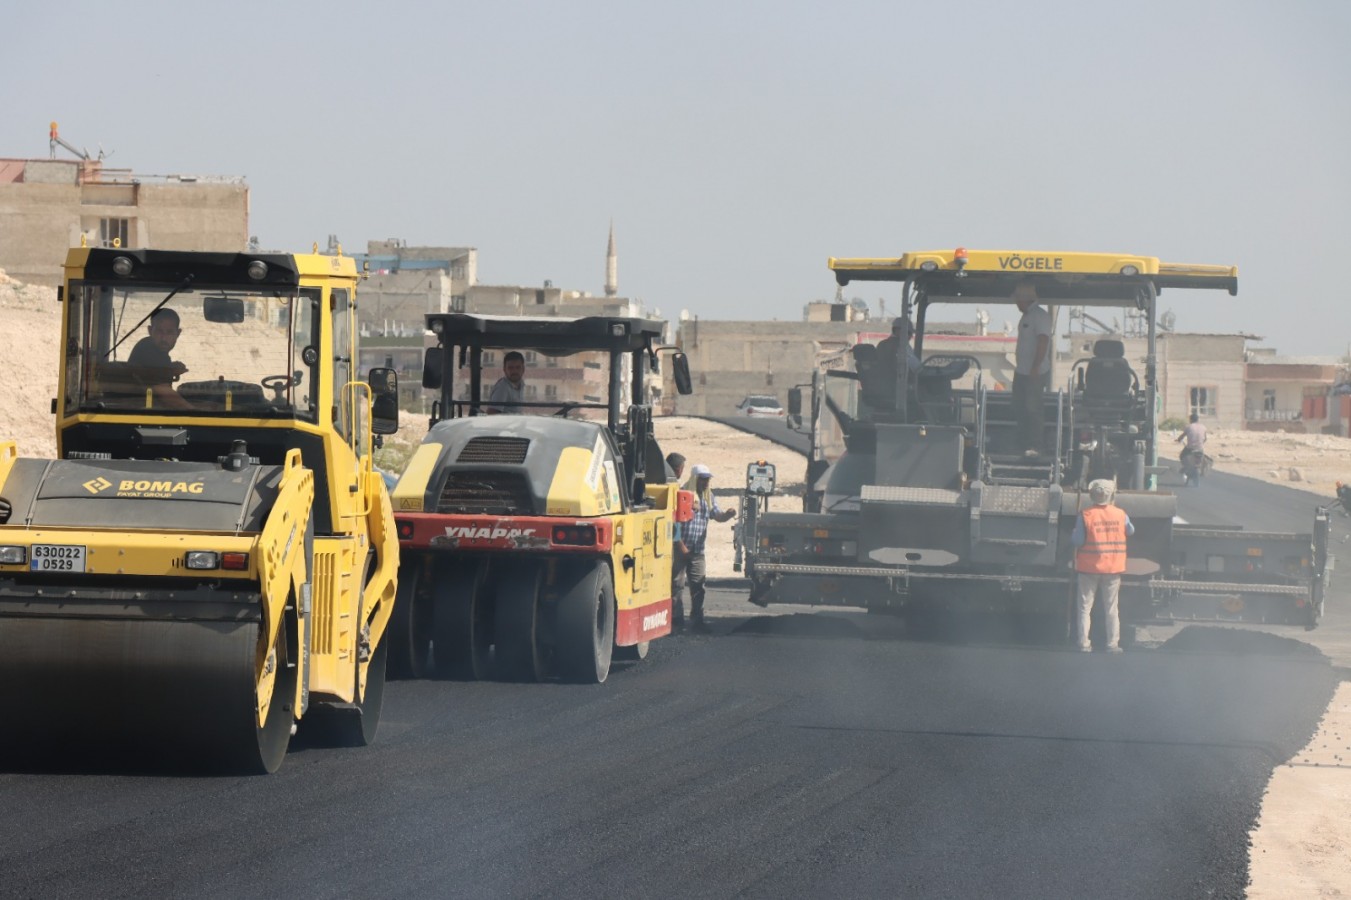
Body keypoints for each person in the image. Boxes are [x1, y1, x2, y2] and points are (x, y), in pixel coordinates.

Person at [1071, 479, 1135, 653]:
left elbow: (1077, 541)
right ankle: (1112, 644)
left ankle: (1084, 643)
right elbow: (1130, 531)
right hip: (1112, 569)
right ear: (1111, 495)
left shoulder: (1085, 515)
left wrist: (1074, 533)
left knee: (1085, 608)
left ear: (1092, 495)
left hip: (1088, 569)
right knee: (1111, 609)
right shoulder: (1121, 514)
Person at [672, 463, 736, 633]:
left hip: (698, 551)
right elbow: (672, 523)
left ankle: (697, 622)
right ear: (695, 479)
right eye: (702, 479)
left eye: (707, 479)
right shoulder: (682, 495)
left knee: (698, 587)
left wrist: (728, 515)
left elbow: (718, 516)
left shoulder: (709, 497)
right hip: (680, 549)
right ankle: (676, 621)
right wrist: (680, 545)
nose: (706, 482)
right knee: (676, 586)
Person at [1012, 282, 1053, 457]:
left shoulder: (1040, 316)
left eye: (1018, 300)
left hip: (1035, 372)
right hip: (1021, 371)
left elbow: (1043, 341)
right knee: (1020, 408)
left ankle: (1036, 445)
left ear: (1025, 299)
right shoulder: (1026, 316)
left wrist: (1035, 367)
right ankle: (1021, 443)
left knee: (1033, 408)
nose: (1016, 303)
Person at [127, 308, 194, 409]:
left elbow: (152, 373)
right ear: (150, 330)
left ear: (178, 333)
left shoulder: (157, 353)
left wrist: (169, 368)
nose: (164, 338)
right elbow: (165, 393)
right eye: (159, 331)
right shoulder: (148, 349)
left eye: (169, 332)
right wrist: (195, 411)